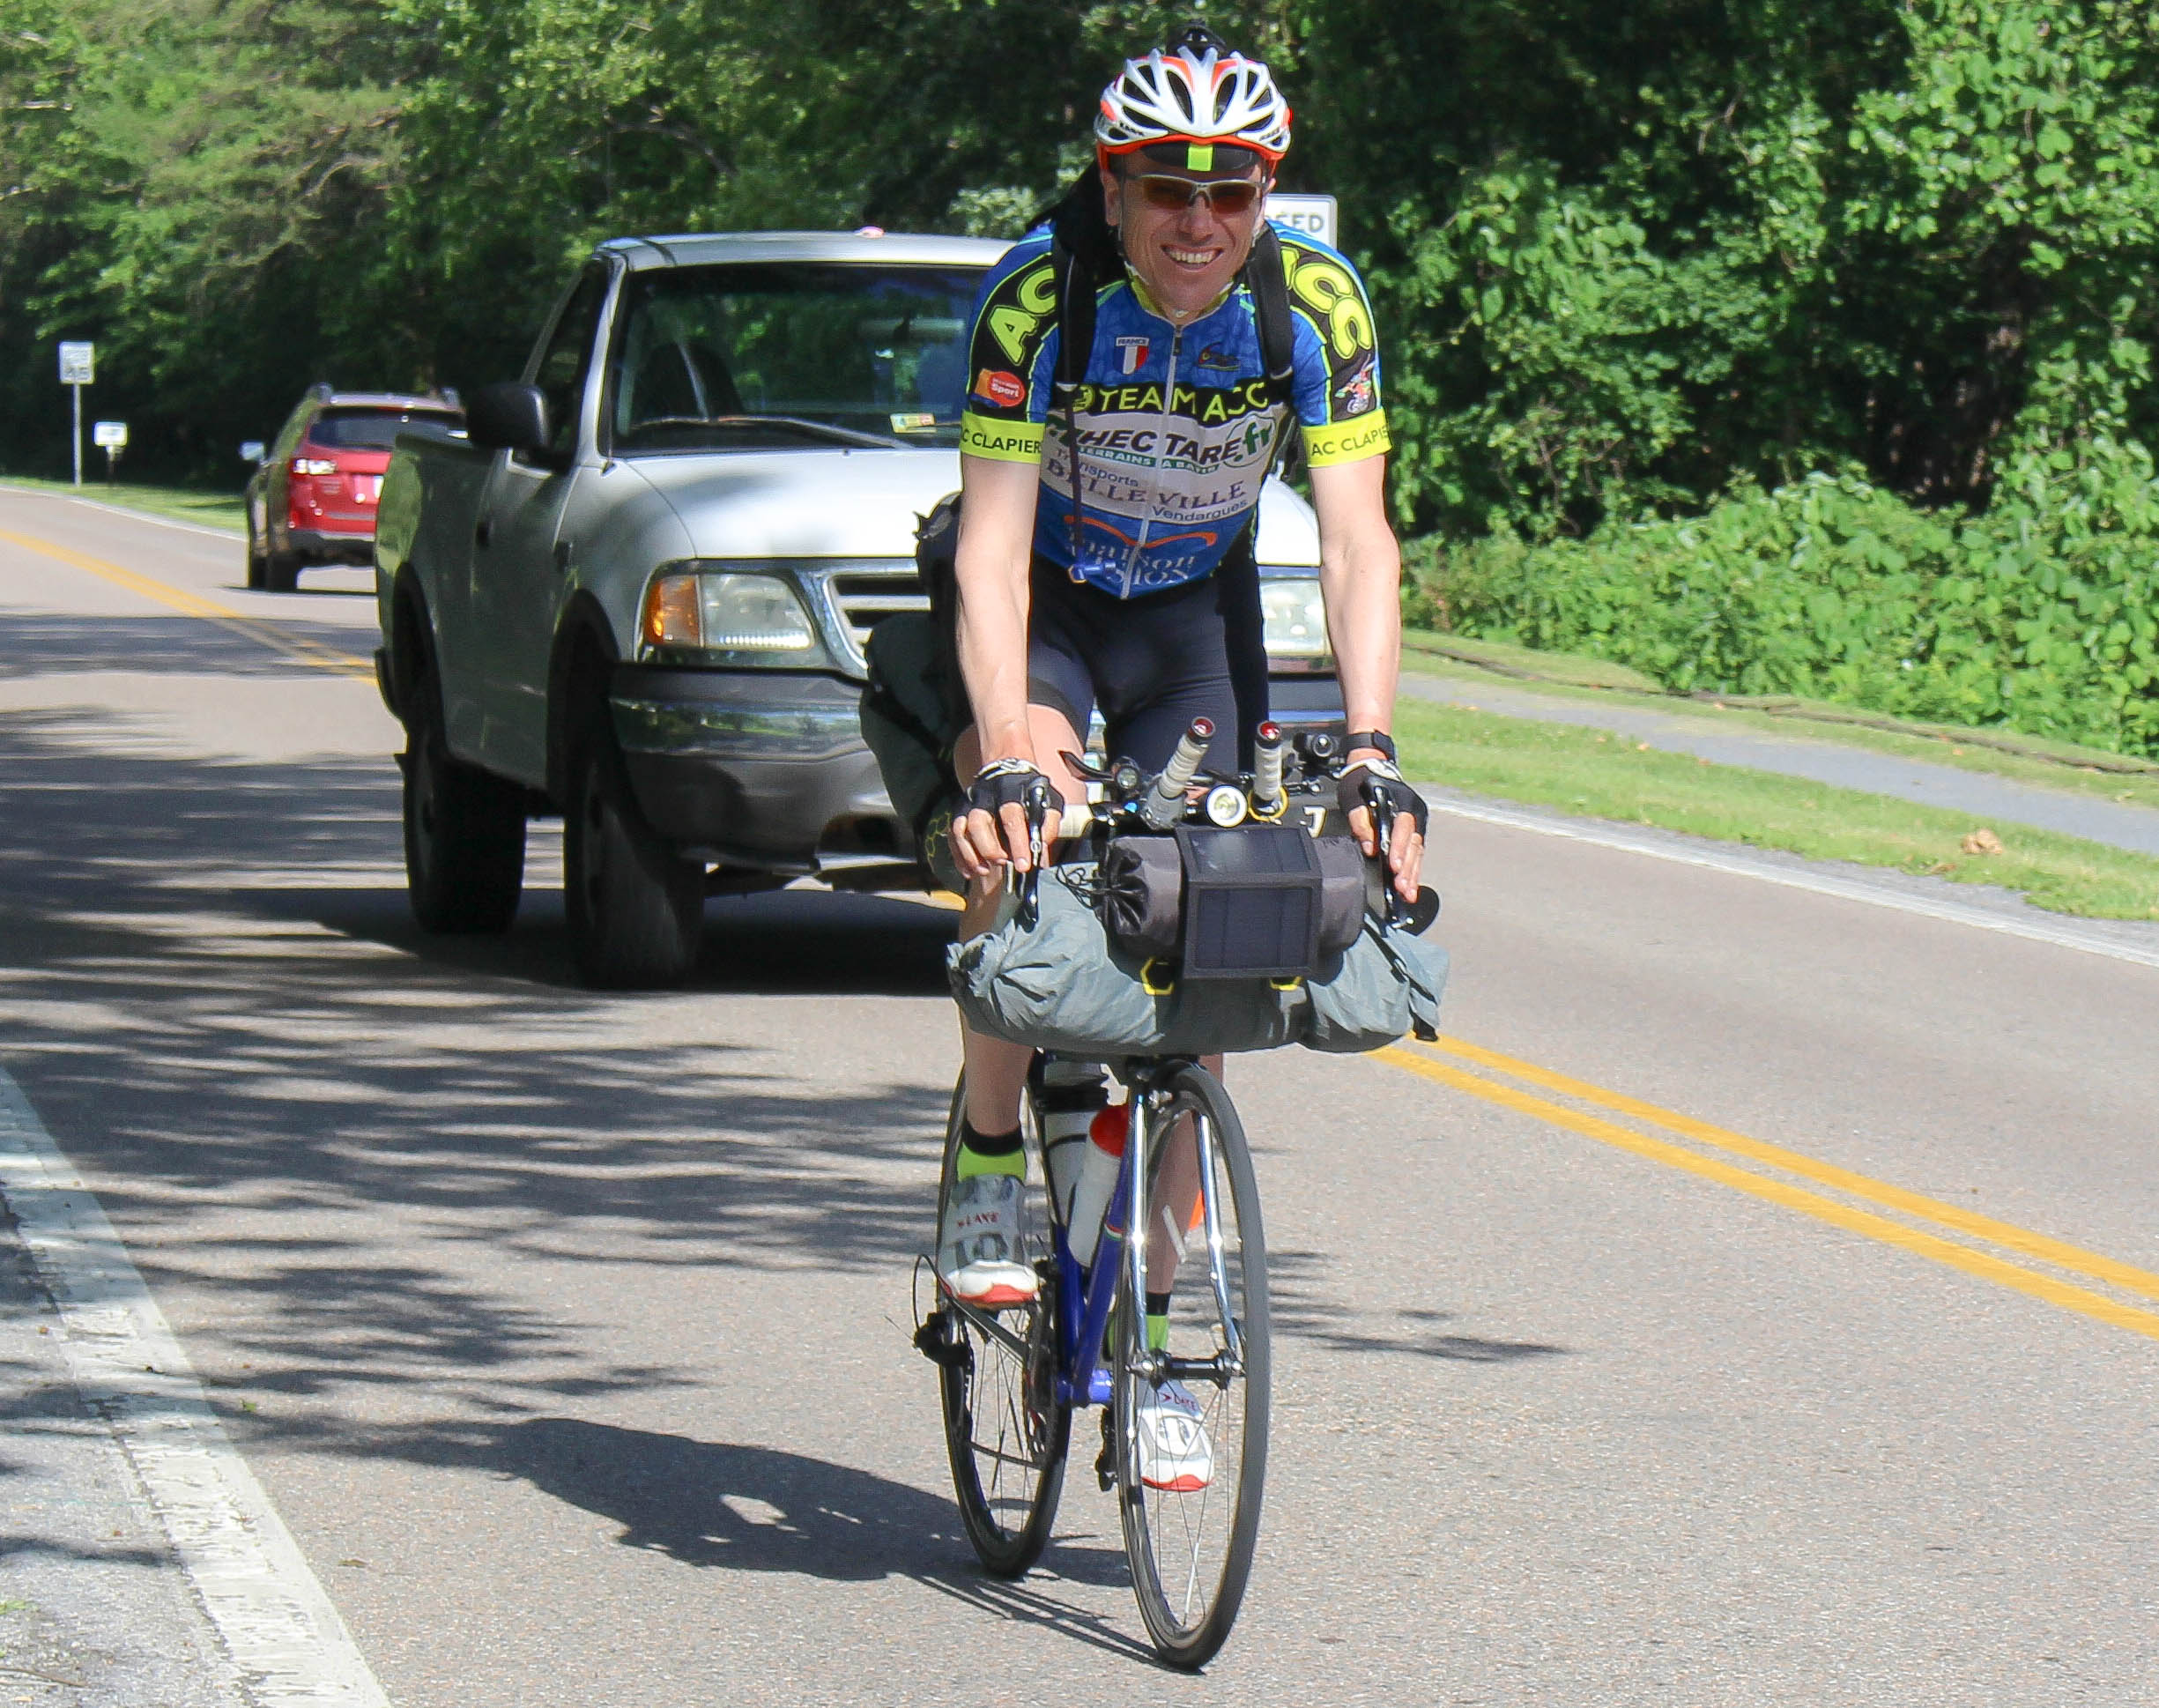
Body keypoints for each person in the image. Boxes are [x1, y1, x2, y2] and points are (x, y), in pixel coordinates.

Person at [933, 26, 1428, 1487]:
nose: (1198, 221)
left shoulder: (1313, 304)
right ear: (1111, 185)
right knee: (1025, 846)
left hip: (1191, 624)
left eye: (1230, 190)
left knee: (1215, 918)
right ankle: (981, 1153)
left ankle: (1162, 1315)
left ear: (1267, 192)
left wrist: (1375, 748)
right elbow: (988, 550)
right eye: (1165, 188)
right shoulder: (1037, 296)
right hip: (1050, 606)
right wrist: (1010, 755)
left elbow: (1355, 539)